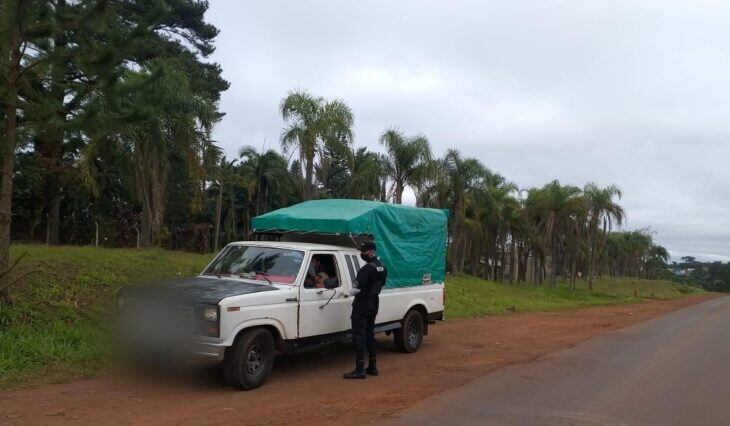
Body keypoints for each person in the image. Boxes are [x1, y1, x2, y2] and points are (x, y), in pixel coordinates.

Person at [343, 241, 388, 380]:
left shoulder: (365, 269)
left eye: (363, 252)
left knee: (359, 336)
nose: (362, 254)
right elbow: (382, 285)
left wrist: (350, 292)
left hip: (362, 305)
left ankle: (360, 369)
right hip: (374, 303)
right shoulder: (383, 268)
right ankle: (373, 367)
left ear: (369, 252)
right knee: (370, 334)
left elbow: (355, 289)